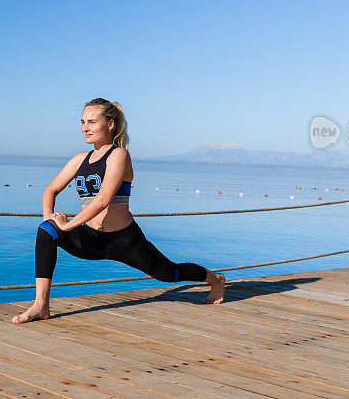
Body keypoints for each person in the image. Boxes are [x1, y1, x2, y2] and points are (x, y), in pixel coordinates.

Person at [12, 98, 225, 324]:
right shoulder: (79, 159)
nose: (85, 127)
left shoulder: (119, 155)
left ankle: (215, 279)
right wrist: (51, 219)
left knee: (168, 273)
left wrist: (67, 224)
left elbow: (103, 200)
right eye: (83, 122)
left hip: (125, 240)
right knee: (46, 230)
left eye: (92, 122)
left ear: (110, 124)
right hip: (91, 239)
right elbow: (50, 190)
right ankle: (41, 305)